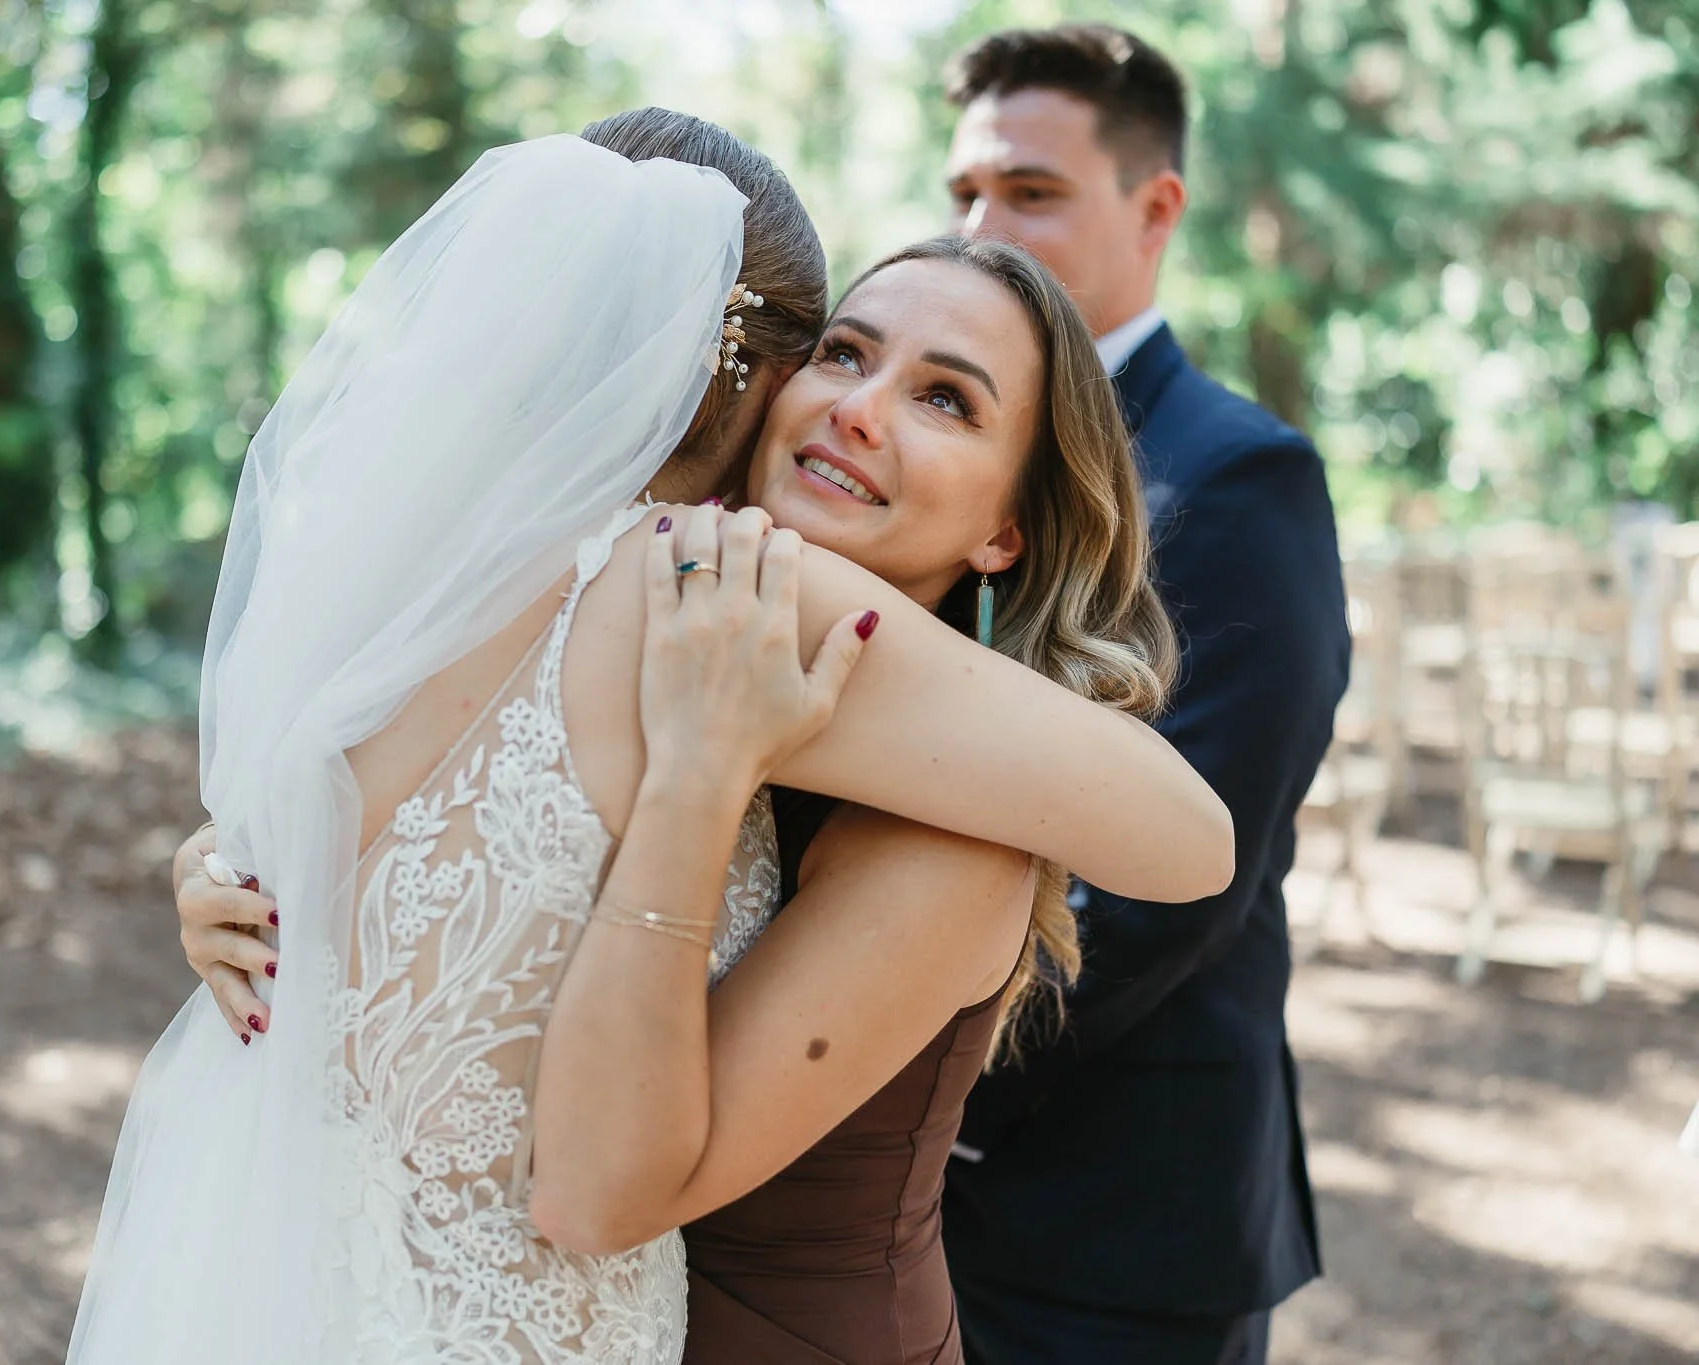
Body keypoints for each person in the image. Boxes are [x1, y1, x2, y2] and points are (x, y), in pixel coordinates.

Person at [85, 111, 1228, 1365]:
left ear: (1008, 529)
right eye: (842, 352)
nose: (857, 409)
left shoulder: (869, 745)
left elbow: (1193, 843)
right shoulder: (668, 594)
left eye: (944, 400)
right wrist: (247, 870)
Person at [936, 25, 1351, 1365]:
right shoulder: (952, 448)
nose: (980, 228)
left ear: (1155, 208)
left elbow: (1169, 887)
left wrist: (877, 1062)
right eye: (965, 195)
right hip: (926, 1212)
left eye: (1030, 192)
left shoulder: (1236, 475)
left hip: (1119, 1219)